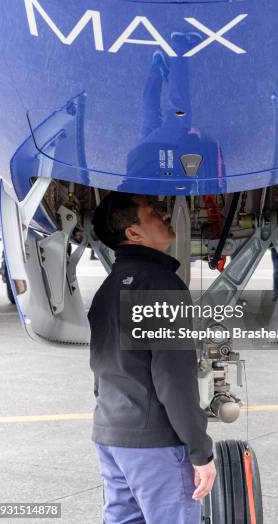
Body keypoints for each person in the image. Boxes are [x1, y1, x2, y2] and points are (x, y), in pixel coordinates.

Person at [88, 192, 216, 524]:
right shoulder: (161, 285)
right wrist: (200, 451)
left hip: (112, 436)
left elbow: (104, 365)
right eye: (153, 212)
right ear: (133, 233)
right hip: (153, 445)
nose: (165, 213)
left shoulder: (108, 287)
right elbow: (173, 378)